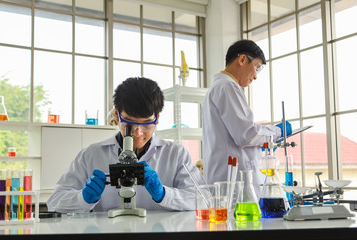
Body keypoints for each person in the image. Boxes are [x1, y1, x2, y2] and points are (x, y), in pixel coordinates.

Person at [47, 77, 206, 213]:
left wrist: (164, 194)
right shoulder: (91, 155)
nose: (137, 133)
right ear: (117, 115)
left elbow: (203, 200)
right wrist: (83, 198)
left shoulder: (175, 154)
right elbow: (54, 202)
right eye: (129, 124)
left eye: (146, 124)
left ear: (157, 118)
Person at [201, 40, 292, 197]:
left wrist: (264, 144)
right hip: (236, 189)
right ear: (242, 60)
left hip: (230, 185)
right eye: (256, 67)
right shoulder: (227, 87)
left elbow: (238, 134)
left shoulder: (220, 87)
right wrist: (277, 131)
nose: (255, 77)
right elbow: (246, 135)